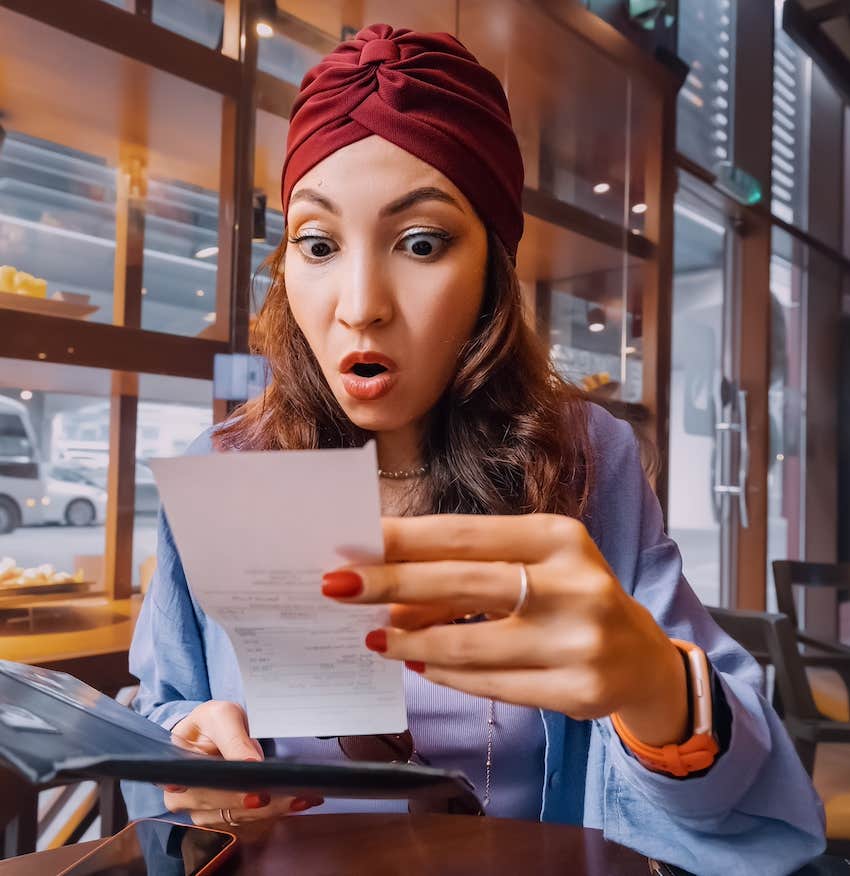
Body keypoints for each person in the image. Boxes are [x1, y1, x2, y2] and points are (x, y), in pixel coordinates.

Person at [125, 23, 825, 875]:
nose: (360, 305)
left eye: (421, 243)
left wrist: (655, 687)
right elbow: (159, 708)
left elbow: (743, 799)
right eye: (318, 244)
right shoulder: (226, 466)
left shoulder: (581, 460)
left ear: (492, 268)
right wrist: (186, 753)